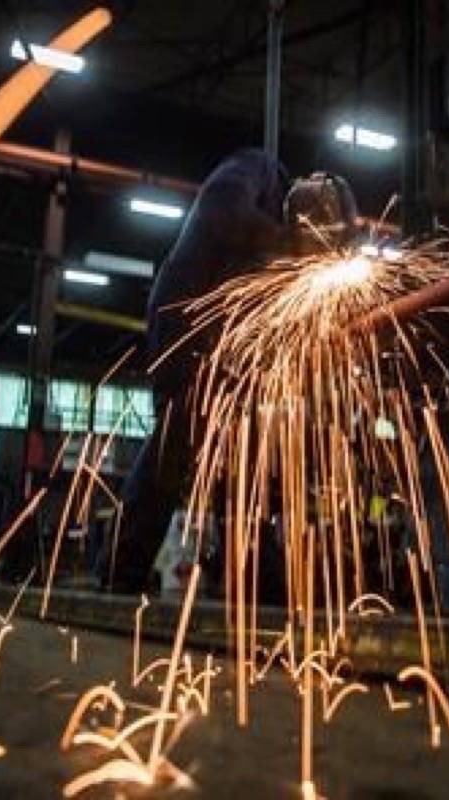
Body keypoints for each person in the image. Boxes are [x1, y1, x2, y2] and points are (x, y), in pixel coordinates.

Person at [100, 149, 288, 591]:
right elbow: (221, 205)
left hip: (216, 336)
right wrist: (282, 241)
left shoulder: (277, 237)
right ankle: (121, 570)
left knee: (237, 449)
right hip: (184, 318)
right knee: (178, 440)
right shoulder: (257, 169)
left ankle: (254, 579)